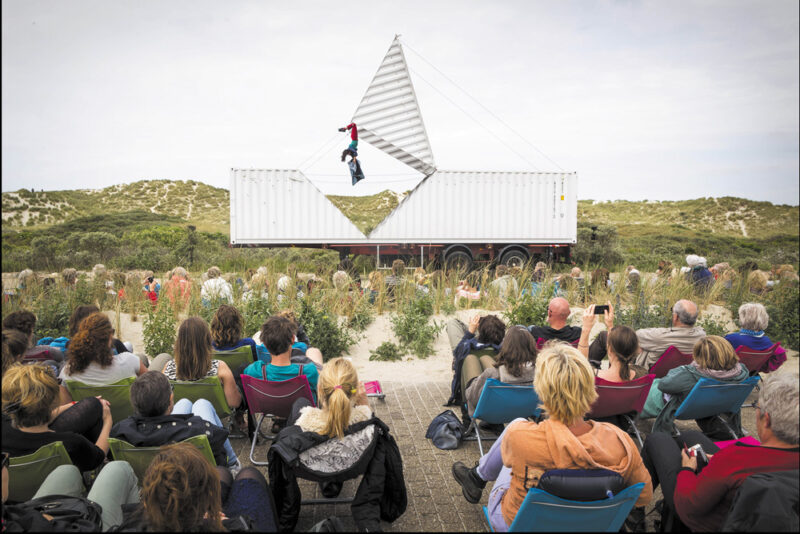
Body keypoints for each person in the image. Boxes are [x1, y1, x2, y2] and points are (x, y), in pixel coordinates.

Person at [451, 344, 653, 531]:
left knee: (514, 439)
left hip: (519, 524)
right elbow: (643, 496)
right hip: (589, 525)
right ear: (590, 388)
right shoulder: (622, 441)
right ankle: (475, 477)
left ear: (542, 390)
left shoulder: (521, 436)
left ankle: (476, 477)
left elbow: (512, 459)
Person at [640, 372, 799, 532]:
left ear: (766, 420)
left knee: (657, 439)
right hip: (751, 508)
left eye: (757, 407)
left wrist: (686, 470)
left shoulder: (734, 459)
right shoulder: (739, 459)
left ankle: (634, 512)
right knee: (691, 436)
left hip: (707, 519)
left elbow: (688, 506)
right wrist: (719, 463)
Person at [116, 442, 276, 532]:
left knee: (221, 472)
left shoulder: (129, 525)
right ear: (207, 499)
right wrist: (227, 523)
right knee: (248, 474)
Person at [111, 371, 239, 471]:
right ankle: (235, 467)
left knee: (184, 402)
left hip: (147, 476)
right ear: (170, 400)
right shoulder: (199, 430)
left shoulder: (120, 431)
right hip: (193, 480)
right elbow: (220, 457)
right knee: (202, 404)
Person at [2, 365, 112, 472]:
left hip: (13, 488)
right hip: (56, 486)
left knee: (92, 404)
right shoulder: (71, 442)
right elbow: (98, 457)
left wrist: (73, 404)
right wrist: (107, 420)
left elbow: (36, 417)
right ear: (52, 401)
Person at [639, 336, 750, 436]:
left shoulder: (690, 375)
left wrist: (684, 369)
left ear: (699, 356)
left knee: (638, 389)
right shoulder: (741, 373)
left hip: (664, 399)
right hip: (708, 405)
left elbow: (664, 385)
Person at [2, 455, 139, 531]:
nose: (7, 457)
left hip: (36, 515)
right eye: (3, 460)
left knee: (67, 470)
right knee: (119, 467)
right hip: (85, 526)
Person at [157, 317, 242, 411]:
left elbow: (162, 403)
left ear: (179, 342)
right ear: (207, 341)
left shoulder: (168, 367)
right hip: (212, 417)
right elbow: (234, 403)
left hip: (180, 418)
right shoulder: (220, 367)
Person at [58, 312, 146, 402]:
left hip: (89, 416)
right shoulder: (129, 361)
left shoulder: (67, 373)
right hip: (130, 415)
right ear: (109, 336)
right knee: (146, 358)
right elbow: (153, 386)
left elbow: (66, 409)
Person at [243, 316, 320, 404]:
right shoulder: (308, 371)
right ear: (292, 339)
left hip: (270, 408)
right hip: (301, 414)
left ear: (264, 343)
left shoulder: (253, 371)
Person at [464, 326, 537, 418]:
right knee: (485, 358)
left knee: (470, 359)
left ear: (506, 346)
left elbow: (471, 398)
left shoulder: (493, 374)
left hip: (492, 415)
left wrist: (474, 382)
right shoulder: (540, 373)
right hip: (525, 412)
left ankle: (466, 421)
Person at [289, 357, 373, 435]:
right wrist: (366, 406)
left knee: (301, 402)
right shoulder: (366, 426)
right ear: (355, 392)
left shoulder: (302, 425)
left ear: (320, 389)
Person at [446, 313, 506, 409]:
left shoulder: (466, 347)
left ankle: (475, 328)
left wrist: (470, 331)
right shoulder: (504, 348)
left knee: (452, 323)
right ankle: (485, 329)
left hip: (471, 392)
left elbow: (458, 351)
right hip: (493, 391)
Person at [578, 304, 648, 379]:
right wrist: (610, 325)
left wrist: (586, 328)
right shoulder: (642, 375)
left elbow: (580, 364)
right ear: (636, 350)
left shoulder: (590, 376)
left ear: (609, 350)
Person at [634, 299, 706, 369]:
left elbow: (636, 335)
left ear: (675, 317)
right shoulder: (701, 336)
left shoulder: (660, 337)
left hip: (655, 375)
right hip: (681, 374)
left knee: (644, 347)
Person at [724, 302, 787, 373]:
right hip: (750, 376)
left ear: (743, 319)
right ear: (764, 318)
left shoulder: (732, 338)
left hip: (729, 376)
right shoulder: (767, 342)